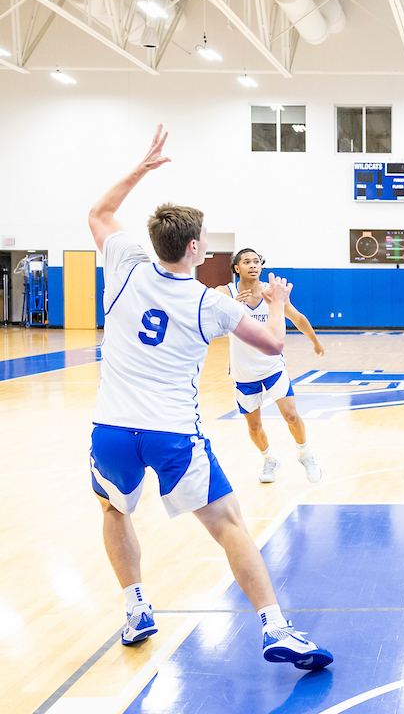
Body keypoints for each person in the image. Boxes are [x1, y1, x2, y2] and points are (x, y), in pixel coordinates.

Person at [86, 126, 332, 669]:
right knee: (228, 525)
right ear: (196, 248)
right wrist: (277, 300)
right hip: (172, 434)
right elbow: (272, 341)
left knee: (113, 510)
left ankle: (137, 609)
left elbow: (100, 213)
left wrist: (141, 168)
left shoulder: (124, 261)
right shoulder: (210, 302)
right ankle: (275, 627)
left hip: (111, 430)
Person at [217, 248, 324, 484]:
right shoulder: (225, 293)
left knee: (291, 415)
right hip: (243, 372)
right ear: (237, 268)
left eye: (257, 261)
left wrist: (315, 341)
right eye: (247, 262)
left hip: (272, 367)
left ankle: (305, 454)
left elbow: (297, 317)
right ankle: (269, 460)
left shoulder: (271, 292)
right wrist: (230, 306)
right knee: (254, 427)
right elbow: (209, 317)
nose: (253, 265)